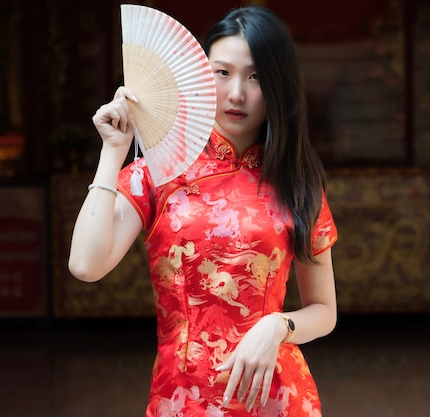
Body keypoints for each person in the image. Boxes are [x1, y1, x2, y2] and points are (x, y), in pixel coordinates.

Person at [68, 5, 338, 417]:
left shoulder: (297, 181)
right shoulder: (157, 172)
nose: (236, 94)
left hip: (277, 398)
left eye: (256, 77)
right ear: (199, 77)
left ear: (278, 85)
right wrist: (112, 153)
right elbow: (86, 265)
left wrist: (277, 326)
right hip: (182, 399)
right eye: (222, 72)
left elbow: (325, 311)